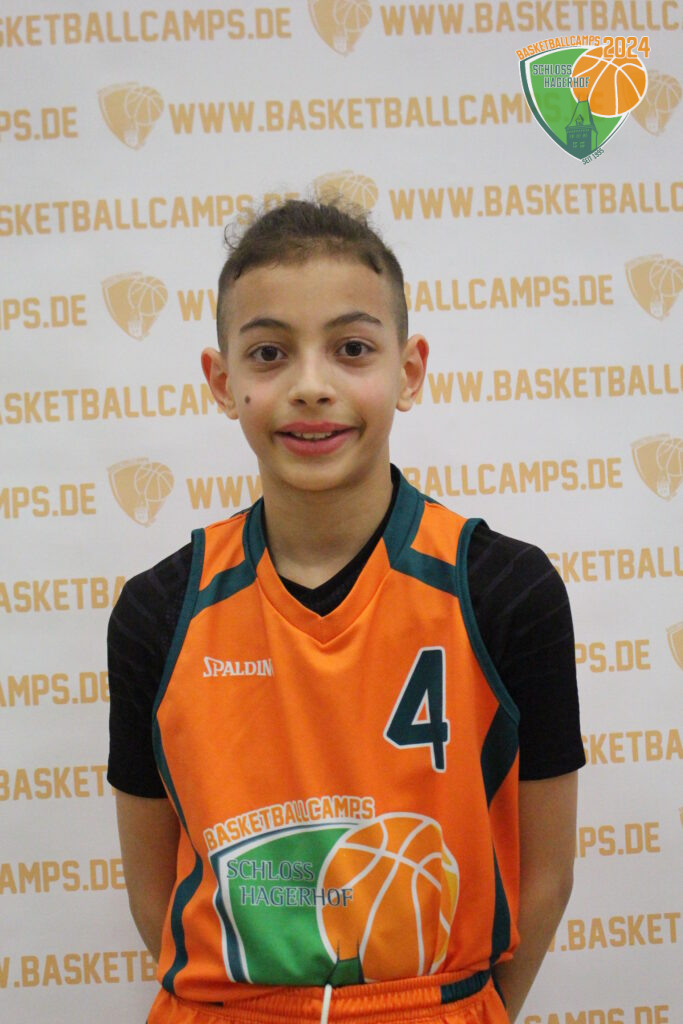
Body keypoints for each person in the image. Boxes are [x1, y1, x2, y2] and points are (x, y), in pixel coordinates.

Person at [108, 199, 584, 1024]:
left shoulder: (507, 590)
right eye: (268, 353)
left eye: (351, 349)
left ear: (409, 370)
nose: (311, 386)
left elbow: (545, 876)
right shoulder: (159, 610)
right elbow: (154, 896)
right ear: (222, 383)